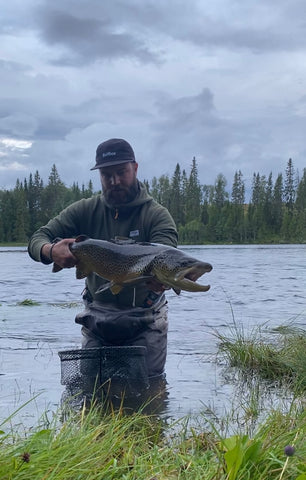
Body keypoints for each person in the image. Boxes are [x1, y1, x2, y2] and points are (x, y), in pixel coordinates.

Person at [28, 138, 178, 379]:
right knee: (92, 395)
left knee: (149, 396)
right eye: (107, 175)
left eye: (121, 172)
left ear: (135, 168)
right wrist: (50, 250)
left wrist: (164, 280)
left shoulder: (157, 216)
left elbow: (168, 256)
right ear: (99, 175)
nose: (115, 181)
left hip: (146, 322)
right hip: (96, 322)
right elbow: (38, 238)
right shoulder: (84, 210)